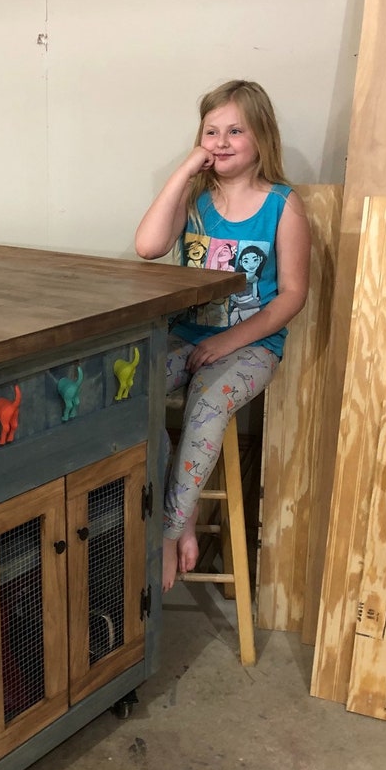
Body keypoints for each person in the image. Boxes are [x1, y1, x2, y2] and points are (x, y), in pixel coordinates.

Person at [134, 79, 311, 592]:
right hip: (184, 334)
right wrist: (186, 172)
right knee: (134, 393)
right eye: (212, 131)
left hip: (252, 345)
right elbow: (147, 247)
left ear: (262, 137)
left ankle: (168, 532)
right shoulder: (196, 200)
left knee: (206, 404)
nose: (222, 140)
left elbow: (291, 296)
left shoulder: (283, 205)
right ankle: (180, 512)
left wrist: (226, 343)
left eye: (236, 130)